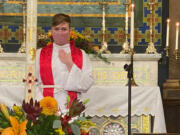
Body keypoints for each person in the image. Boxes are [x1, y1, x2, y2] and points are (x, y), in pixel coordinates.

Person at [35, 13, 94, 112]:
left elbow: (86, 84)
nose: (60, 33)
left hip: (72, 108)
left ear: (70, 31)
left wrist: (70, 64)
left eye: (64, 29)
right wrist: (42, 104)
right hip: (46, 106)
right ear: (51, 31)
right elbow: (33, 82)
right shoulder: (40, 54)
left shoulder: (81, 54)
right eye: (56, 29)